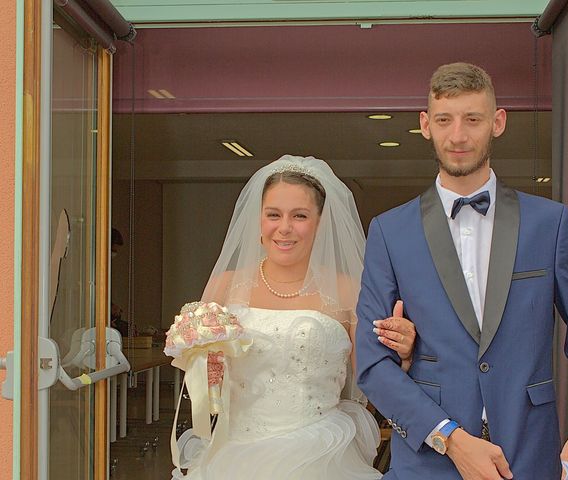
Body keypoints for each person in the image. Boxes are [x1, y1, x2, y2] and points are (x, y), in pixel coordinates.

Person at [355, 62, 568, 480]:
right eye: (444, 120)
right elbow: (372, 364)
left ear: (497, 122)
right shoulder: (389, 232)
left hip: (530, 456)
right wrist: (451, 439)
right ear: (425, 125)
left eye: (472, 119)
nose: (458, 136)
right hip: (429, 461)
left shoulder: (549, 224)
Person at [175, 155, 417, 480]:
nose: (285, 227)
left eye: (299, 216)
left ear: (320, 222)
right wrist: (202, 365)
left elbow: (372, 378)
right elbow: (203, 376)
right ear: (259, 220)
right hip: (235, 454)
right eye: (273, 215)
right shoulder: (226, 284)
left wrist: (403, 356)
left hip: (321, 453)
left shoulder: (350, 291)